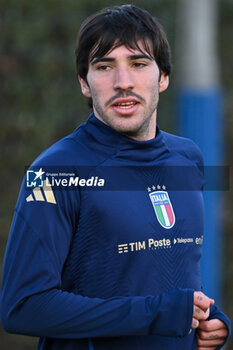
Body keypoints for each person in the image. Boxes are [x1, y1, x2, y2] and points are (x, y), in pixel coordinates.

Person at [0, 4, 231, 350]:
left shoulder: (188, 158)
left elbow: (165, 275)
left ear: (163, 77)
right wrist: (158, 313)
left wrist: (207, 319)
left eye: (138, 64)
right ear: (84, 83)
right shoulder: (54, 173)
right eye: (104, 66)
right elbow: (22, 307)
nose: (123, 82)